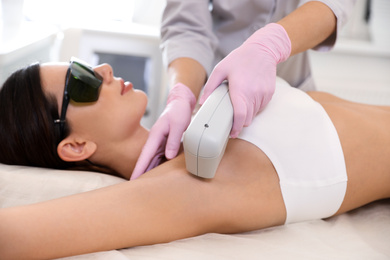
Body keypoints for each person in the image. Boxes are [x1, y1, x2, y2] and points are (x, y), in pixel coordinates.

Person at [0, 60, 389, 260]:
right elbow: (13, 235)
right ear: (75, 146)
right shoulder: (181, 187)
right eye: (80, 81)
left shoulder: (196, 129)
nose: (102, 70)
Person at [131, 0, 357, 179]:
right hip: (209, 93)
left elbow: (333, 4)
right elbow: (187, 26)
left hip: (291, 82)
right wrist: (182, 93)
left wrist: (271, 44)